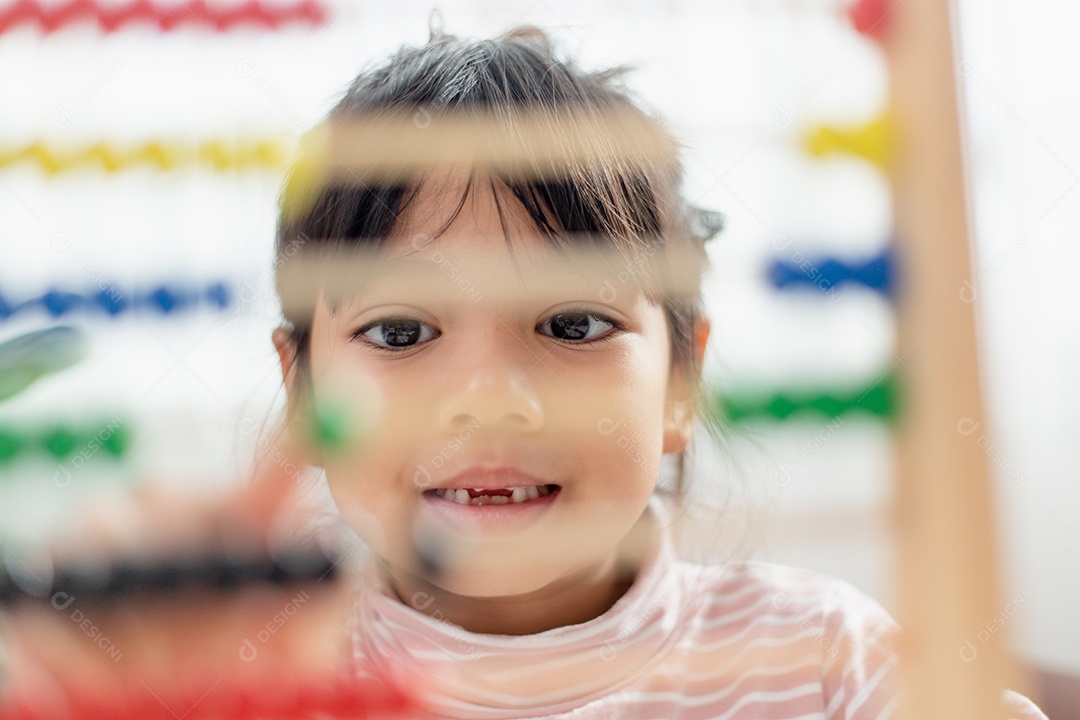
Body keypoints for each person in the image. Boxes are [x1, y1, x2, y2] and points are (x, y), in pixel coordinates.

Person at [268, 25, 1048, 720]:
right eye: (400, 331)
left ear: (681, 383)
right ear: (301, 395)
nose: (492, 400)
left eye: (574, 323)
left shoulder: (820, 658)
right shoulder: (262, 671)